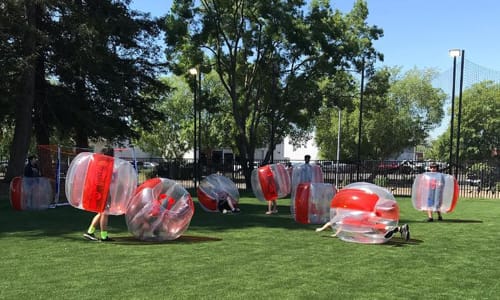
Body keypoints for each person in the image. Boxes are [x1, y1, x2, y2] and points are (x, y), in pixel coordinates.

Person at [83, 147, 115, 242]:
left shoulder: (98, 164)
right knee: (105, 213)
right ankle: (104, 236)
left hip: (100, 191)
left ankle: (90, 232)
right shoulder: (107, 165)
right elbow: (109, 179)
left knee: (101, 212)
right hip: (104, 192)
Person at [315, 219, 411, 241]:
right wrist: (335, 234)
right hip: (367, 222)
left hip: (364, 227)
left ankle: (392, 230)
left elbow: (329, 223)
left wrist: (321, 229)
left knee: (377, 231)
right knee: (379, 227)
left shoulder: (340, 220)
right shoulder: (344, 220)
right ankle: (400, 229)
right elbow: (340, 227)